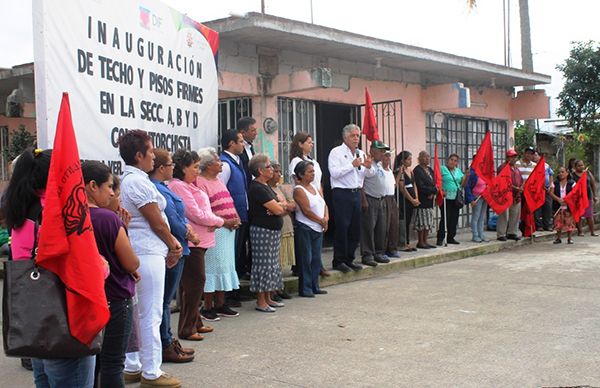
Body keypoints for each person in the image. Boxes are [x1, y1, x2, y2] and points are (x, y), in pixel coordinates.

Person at [1, 148, 98, 387]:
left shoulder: (23, 213)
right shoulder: (56, 216)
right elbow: (80, 268)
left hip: (38, 322)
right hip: (65, 322)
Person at [119, 130, 183, 388]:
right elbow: (156, 221)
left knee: (140, 312)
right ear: (138, 155)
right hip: (147, 250)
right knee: (150, 313)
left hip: (145, 250)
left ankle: (134, 365)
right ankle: (151, 371)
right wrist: (173, 244)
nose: (153, 158)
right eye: (150, 151)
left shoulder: (135, 179)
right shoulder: (137, 182)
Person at [82, 161, 140, 388]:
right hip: (114, 297)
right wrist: (123, 230)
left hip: (86, 299)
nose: (113, 193)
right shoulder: (107, 219)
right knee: (113, 363)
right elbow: (130, 262)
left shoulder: (68, 217)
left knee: (92, 363)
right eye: (109, 186)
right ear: (92, 186)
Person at [148, 149, 197, 363]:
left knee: (165, 300)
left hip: (179, 244)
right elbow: (169, 219)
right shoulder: (156, 188)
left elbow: (178, 215)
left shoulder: (164, 187)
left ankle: (167, 340)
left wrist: (186, 230)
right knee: (164, 301)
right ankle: (165, 343)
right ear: (161, 168)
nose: (173, 168)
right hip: (171, 248)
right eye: (170, 164)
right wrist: (187, 232)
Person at [168, 150, 224, 332]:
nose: (198, 171)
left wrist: (214, 221)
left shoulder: (189, 185)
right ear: (183, 168)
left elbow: (202, 212)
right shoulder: (178, 186)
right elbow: (195, 214)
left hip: (200, 240)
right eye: (194, 167)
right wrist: (220, 221)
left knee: (192, 285)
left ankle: (194, 322)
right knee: (195, 283)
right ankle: (187, 327)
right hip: (193, 241)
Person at [195, 147, 242, 318]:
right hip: (216, 229)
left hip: (229, 229)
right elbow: (204, 209)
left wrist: (235, 217)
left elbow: (228, 200)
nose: (221, 164)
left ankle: (221, 303)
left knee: (225, 265)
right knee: (212, 267)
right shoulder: (200, 182)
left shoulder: (219, 180)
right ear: (207, 165)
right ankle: (208, 306)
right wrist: (225, 221)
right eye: (217, 161)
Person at [247, 154, 292, 312]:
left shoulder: (266, 186)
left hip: (272, 230)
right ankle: (261, 301)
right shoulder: (257, 188)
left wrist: (279, 207)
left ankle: (269, 297)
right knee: (263, 265)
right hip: (262, 230)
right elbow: (279, 208)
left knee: (272, 264)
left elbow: (284, 205)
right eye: (269, 167)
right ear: (260, 170)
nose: (272, 169)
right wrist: (279, 207)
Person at [327, 124, 374, 273]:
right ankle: (339, 260)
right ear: (345, 137)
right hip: (342, 193)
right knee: (342, 227)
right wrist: (351, 165)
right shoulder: (336, 152)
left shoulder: (360, 153)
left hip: (355, 193)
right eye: (353, 136)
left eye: (358, 136)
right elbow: (335, 173)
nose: (356, 139)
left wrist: (368, 166)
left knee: (355, 229)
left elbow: (368, 175)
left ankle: (349, 258)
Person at [288, 132, 330, 276]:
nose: (311, 144)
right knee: (306, 238)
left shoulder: (313, 161)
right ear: (300, 144)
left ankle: (317, 266)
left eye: (312, 142)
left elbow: (319, 183)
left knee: (318, 231)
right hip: (305, 198)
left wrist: (322, 200)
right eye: (308, 142)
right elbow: (296, 181)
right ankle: (302, 268)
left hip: (316, 196)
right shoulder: (296, 161)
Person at [219, 130, 251, 284]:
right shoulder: (225, 164)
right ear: (231, 143)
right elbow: (220, 192)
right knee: (232, 253)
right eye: (240, 141)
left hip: (241, 213)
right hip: (231, 217)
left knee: (238, 252)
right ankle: (229, 293)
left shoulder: (237, 161)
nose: (243, 144)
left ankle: (235, 287)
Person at [293, 160, 329, 297]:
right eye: (310, 172)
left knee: (316, 259)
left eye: (313, 171)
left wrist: (326, 218)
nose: (313, 174)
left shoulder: (314, 187)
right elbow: (306, 211)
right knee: (305, 258)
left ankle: (315, 285)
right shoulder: (298, 190)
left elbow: (324, 204)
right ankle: (305, 288)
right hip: (306, 227)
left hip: (318, 227)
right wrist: (320, 220)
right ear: (301, 175)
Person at [360, 140, 392, 266]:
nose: (383, 154)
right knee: (368, 228)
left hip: (381, 199)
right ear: (372, 151)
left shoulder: (378, 165)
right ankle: (367, 254)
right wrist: (364, 200)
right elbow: (360, 183)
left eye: (384, 151)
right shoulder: (368, 164)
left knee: (381, 228)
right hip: (370, 199)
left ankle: (379, 252)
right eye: (381, 151)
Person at [268, 162, 295, 300]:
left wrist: (282, 207)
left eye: (280, 171)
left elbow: (292, 205)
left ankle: (279, 287)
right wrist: (283, 207)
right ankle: (273, 289)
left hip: (286, 225)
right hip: (274, 227)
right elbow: (273, 209)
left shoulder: (281, 188)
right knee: (273, 261)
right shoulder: (266, 189)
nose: (279, 174)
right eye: (276, 171)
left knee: (281, 262)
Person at [436, 153, 468, 245]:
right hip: (446, 198)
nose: (453, 162)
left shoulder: (458, 171)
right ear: (448, 160)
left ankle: (451, 237)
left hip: (456, 198)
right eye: (451, 160)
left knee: (454, 218)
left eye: (455, 161)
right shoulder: (443, 169)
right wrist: (441, 190)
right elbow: (438, 180)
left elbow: (463, 184)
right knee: (445, 218)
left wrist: (466, 176)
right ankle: (440, 238)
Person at [496, 149, 523, 242]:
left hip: (516, 195)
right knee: (504, 215)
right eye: (511, 157)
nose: (514, 159)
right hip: (505, 194)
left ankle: (512, 232)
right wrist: (515, 187)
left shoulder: (516, 169)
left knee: (515, 214)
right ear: (507, 158)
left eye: (515, 157)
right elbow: (502, 182)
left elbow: (521, 180)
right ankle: (501, 233)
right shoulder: (502, 167)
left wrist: (521, 187)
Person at [394, 150, 419, 251]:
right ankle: (402, 242)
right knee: (403, 221)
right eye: (408, 159)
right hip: (404, 200)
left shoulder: (410, 171)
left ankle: (407, 242)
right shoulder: (399, 171)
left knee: (408, 221)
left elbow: (414, 185)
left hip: (412, 200)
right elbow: (401, 187)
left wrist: (416, 198)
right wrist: (411, 199)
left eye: (411, 159)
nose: (410, 161)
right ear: (403, 160)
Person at [412, 151, 438, 249]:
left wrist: (433, 192)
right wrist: (430, 191)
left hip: (430, 200)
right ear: (420, 158)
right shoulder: (417, 170)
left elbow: (434, 182)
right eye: (425, 157)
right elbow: (420, 185)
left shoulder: (430, 169)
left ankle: (426, 241)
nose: (428, 159)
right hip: (422, 199)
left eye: (428, 157)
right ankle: (421, 241)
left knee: (428, 221)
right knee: (422, 222)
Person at [571, 160, 598, 237]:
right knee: (578, 215)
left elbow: (593, 184)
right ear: (575, 167)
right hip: (578, 198)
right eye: (579, 166)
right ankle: (580, 231)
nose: (581, 167)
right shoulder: (572, 175)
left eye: (582, 165)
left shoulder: (588, 173)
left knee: (589, 215)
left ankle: (592, 231)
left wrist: (594, 195)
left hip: (588, 196)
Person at [549, 166, 576, 244]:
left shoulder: (572, 183)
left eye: (562, 172)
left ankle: (569, 238)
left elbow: (575, 193)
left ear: (567, 173)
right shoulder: (555, 183)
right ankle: (558, 238)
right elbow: (551, 193)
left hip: (568, 206)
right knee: (558, 223)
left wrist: (568, 200)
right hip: (558, 206)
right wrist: (558, 199)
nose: (560, 174)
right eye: (559, 172)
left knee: (569, 222)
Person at [465, 158, 489, 243]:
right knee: (476, 217)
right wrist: (471, 199)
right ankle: (475, 235)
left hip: (484, 197)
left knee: (482, 217)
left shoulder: (485, 172)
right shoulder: (472, 173)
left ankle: (481, 234)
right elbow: (467, 187)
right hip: (476, 197)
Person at [382, 150, 401, 258]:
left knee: (394, 224)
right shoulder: (379, 169)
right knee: (385, 225)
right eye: (386, 157)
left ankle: (392, 248)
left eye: (389, 157)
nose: (388, 159)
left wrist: (398, 174)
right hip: (384, 198)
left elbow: (394, 185)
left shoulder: (389, 170)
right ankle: (383, 249)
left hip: (392, 198)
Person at [516, 146, 537, 237]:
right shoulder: (517, 164)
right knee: (518, 212)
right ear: (524, 153)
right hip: (519, 191)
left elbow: (536, 178)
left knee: (529, 212)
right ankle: (516, 230)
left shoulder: (534, 165)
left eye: (531, 154)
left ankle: (528, 231)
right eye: (527, 153)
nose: (529, 155)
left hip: (530, 193)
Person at [533, 151, 554, 231]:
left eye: (536, 155)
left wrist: (551, 184)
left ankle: (548, 225)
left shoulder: (546, 165)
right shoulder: (533, 166)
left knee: (548, 207)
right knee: (537, 207)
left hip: (547, 189)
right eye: (533, 155)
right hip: (537, 190)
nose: (534, 157)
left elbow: (551, 174)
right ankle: (539, 225)